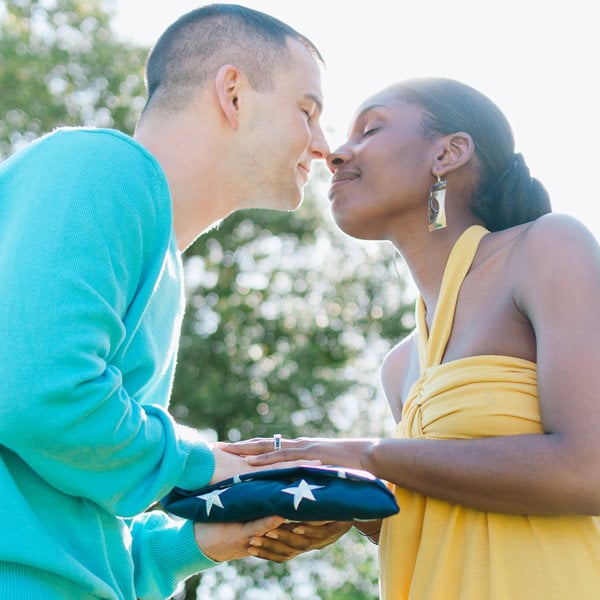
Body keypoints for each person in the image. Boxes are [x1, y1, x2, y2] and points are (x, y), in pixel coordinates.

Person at [0, 4, 350, 600]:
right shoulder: (101, 166)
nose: (324, 148)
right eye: (308, 112)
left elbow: (92, 537)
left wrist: (208, 539)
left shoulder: (161, 260)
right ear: (233, 94)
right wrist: (205, 465)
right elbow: (37, 391)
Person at [224, 77, 600, 599]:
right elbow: (443, 512)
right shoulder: (400, 365)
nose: (336, 153)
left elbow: (589, 469)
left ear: (448, 153)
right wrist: (343, 503)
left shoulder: (548, 247)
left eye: (371, 129)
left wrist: (366, 456)